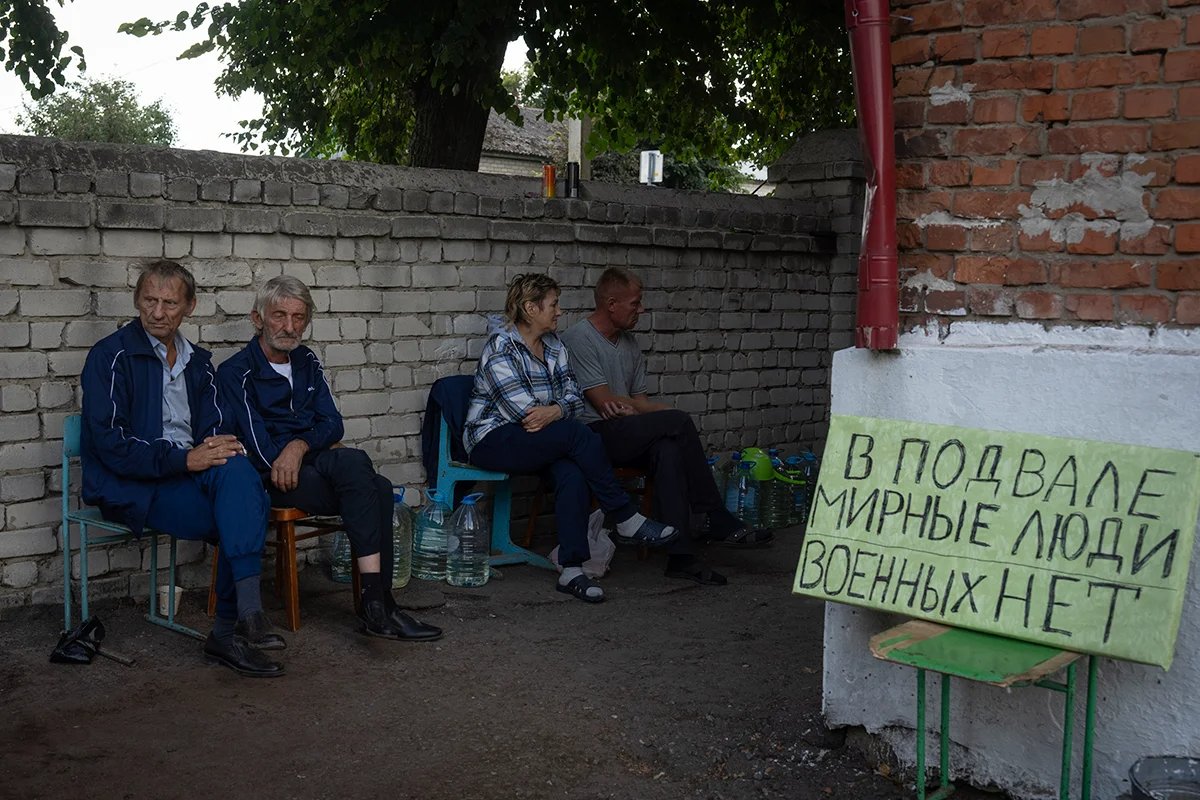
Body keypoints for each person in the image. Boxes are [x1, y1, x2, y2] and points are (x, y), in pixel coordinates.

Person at [80, 260, 284, 678]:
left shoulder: (198, 363)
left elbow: (214, 429)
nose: (158, 312)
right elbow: (111, 445)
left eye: (169, 303)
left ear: (189, 307)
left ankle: (243, 618)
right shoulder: (110, 357)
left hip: (188, 475)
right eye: (150, 301)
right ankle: (233, 628)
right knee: (242, 510)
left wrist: (214, 447)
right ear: (137, 300)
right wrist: (183, 458)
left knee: (237, 469)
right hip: (134, 483)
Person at [217, 276, 442, 642]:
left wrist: (299, 444)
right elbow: (259, 447)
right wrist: (294, 450)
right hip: (271, 479)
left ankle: (377, 605)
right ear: (257, 319)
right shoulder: (235, 372)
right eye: (279, 316)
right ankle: (379, 604)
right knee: (378, 488)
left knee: (359, 466)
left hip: (312, 464)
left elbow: (332, 423)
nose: (290, 327)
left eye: (299, 317)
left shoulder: (306, 361)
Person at [463, 273, 680, 603]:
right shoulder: (500, 347)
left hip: (542, 437)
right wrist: (557, 411)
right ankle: (624, 516)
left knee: (572, 471)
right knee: (577, 435)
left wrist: (554, 411)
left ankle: (572, 570)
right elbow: (525, 413)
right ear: (530, 308)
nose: (560, 311)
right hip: (493, 439)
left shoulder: (554, 346)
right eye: (554, 304)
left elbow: (574, 398)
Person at [560, 267, 774, 586]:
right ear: (611, 303)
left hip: (628, 432)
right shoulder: (579, 338)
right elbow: (605, 403)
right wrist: (657, 412)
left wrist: (650, 411)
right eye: (635, 303)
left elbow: (638, 402)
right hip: (593, 435)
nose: (641, 310)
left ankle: (681, 556)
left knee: (669, 448)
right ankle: (714, 515)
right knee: (677, 422)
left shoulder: (630, 343)